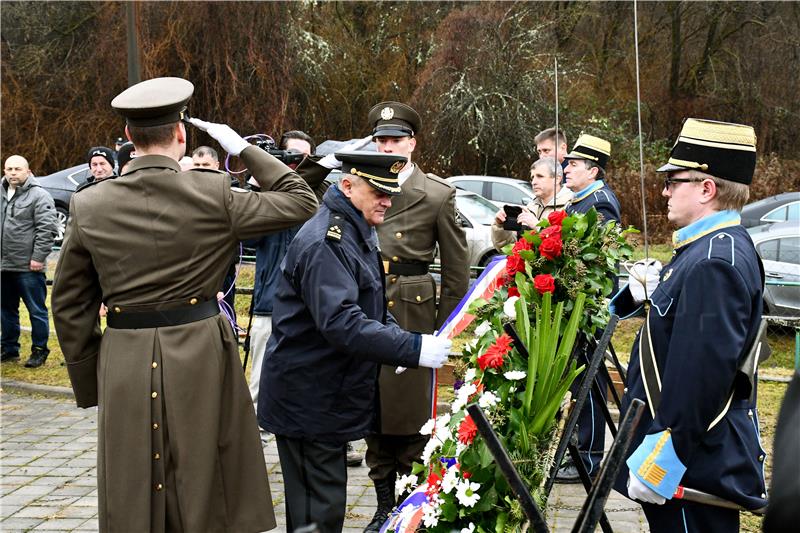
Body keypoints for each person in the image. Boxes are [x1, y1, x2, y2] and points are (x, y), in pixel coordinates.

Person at [51, 76, 318, 533]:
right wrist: (244, 150)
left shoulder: (88, 204)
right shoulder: (214, 193)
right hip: (201, 348)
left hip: (125, 354)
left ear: (131, 139)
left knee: (131, 473)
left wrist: (92, 375)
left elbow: (70, 302)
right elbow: (301, 199)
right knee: (205, 467)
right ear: (181, 135)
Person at [256, 151, 453, 532]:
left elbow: (370, 300)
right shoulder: (328, 240)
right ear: (347, 186)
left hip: (324, 394)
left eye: (391, 193)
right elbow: (342, 322)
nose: (388, 201)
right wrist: (410, 348)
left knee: (322, 507)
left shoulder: (352, 227)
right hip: (309, 397)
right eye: (378, 192)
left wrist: (398, 338)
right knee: (318, 511)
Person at [611, 118, 766, 532]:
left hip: (689, 461)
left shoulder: (714, 261)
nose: (664, 191)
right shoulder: (705, 250)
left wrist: (664, 457)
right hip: (686, 454)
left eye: (673, 180)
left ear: (706, 188)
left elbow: (701, 375)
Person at [360, 101, 469, 530]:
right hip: (367, 303)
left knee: (408, 418)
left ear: (412, 142)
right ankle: (383, 504)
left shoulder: (437, 193)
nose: (388, 147)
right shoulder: (362, 184)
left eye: (396, 140)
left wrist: (444, 327)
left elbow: (457, 269)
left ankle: (410, 507)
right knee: (372, 412)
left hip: (412, 310)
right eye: (381, 140)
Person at [558, 133, 621, 482]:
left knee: (589, 382)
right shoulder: (580, 200)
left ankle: (589, 458)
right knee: (579, 379)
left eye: (575, 164)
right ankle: (578, 451)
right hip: (576, 304)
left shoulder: (599, 203)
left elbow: (598, 261)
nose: (567, 169)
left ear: (594, 170)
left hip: (589, 308)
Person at [1, 155, 57, 367]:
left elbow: (47, 229)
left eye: (17, 169)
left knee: (36, 310)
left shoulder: (39, 196)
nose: (13, 172)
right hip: (3, 265)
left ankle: (40, 349)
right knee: (6, 309)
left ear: (28, 171)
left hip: (28, 266)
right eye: (9, 169)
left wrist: (38, 258)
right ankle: (9, 347)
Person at [491, 157, 573, 251]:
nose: (534, 182)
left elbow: (570, 250)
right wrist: (499, 226)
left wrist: (538, 226)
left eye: (540, 176)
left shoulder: (570, 206)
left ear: (557, 179)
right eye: (532, 177)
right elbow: (507, 249)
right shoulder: (529, 208)